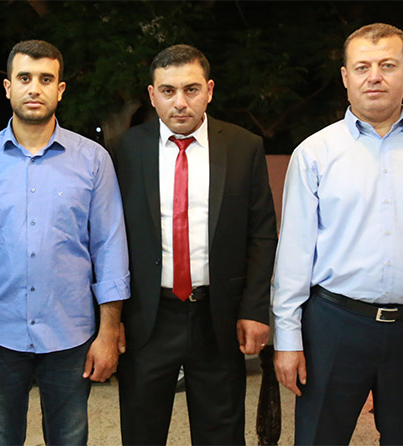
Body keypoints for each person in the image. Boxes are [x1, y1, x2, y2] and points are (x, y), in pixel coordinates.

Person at [272, 23, 403, 444]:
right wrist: (287, 338)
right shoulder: (315, 153)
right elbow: (294, 255)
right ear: (345, 77)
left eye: (387, 65)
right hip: (333, 325)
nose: (375, 77)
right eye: (362, 67)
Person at [0, 40, 129, 445]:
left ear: (60, 89)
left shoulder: (93, 160)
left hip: (71, 334)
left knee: (69, 439)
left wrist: (109, 332)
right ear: (7, 87)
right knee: (0, 440)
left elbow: (109, 247)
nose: (34, 88)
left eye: (45, 79)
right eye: (24, 78)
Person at [110, 44, 277, 445]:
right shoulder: (124, 151)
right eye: (168, 91)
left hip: (218, 317)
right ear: (152, 95)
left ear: (209, 90)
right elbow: (107, 238)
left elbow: (261, 233)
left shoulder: (243, 147)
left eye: (191, 89)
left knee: (222, 434)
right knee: (142, 433)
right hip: (148, 318)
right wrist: (111, 319)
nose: (180, 102)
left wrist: (255, 309)